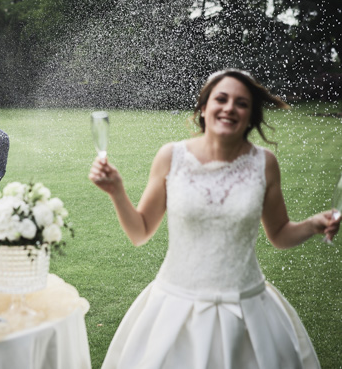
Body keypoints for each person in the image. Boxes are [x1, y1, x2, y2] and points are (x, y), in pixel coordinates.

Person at [89, 69, 339, 368]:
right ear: (204, 108)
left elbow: (279, 233)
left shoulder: (265, 164)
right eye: (221, 99)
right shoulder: (171, 157)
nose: (230, 107)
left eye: (242, 103)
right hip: (175, 305)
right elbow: (140, 232)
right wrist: (117, 191)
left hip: (248, 308)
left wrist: (312, 224)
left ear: (250, 115)